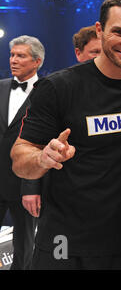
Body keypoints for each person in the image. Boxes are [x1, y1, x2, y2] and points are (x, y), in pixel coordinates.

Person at [9, 0, 121, 270]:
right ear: (99, 30)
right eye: (119, 32)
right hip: (67, 246)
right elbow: (21, 158)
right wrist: (43, 159)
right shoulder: (59, 88)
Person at [0, 35, 44, 269]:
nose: (13, 60)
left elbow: (43, 144)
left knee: (24, 246)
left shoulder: (48, 92)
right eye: (12, 55)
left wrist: (32, 187)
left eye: (21, 56)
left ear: (37, 61)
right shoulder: (0, 87)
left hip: (25, 184)